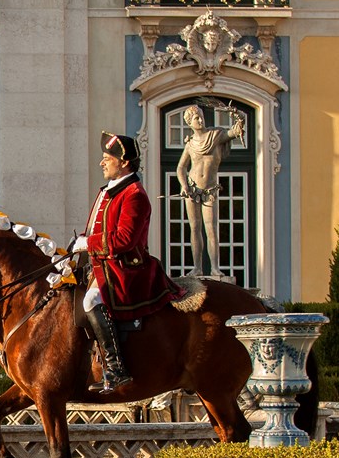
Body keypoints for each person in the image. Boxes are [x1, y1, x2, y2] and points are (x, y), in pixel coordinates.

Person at [72, 131, 178, 394]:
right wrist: (81, 247)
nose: (102, 162)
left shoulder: (134, 194)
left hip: (126, 268)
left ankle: (116, 368)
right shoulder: (111, 191)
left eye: (108, 158)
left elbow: (124, 240)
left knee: (90, 301)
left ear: (125, 162)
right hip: (102, 264)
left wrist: (89, 244)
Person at [175, 104, 245, 279]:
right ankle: (197, 267)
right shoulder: (190, 144)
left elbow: (233, 132)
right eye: (196, 118)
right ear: (189, 123)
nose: (200, 120)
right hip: (192, 189)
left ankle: (214, 268)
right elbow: (181, 168)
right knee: (194, 228)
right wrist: (184, 185)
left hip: (210, 189)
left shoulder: (215, 136)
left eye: (200, 116)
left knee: (211, 228)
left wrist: (239, 121)